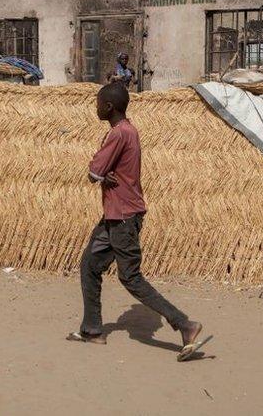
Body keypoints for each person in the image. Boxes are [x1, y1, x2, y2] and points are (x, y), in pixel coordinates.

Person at [66, 82, 206, 361]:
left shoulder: (118, 134)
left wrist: (101, 175)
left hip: (124, 218)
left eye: (97, 103)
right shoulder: (130, 131)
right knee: (90, 265)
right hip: (115, 216)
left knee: (130, 277)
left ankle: (184, 324)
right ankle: (92, 329)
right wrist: (105, 176)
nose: (95, 107)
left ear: (108, 107)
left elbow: (93, 172)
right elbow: (105, 173)